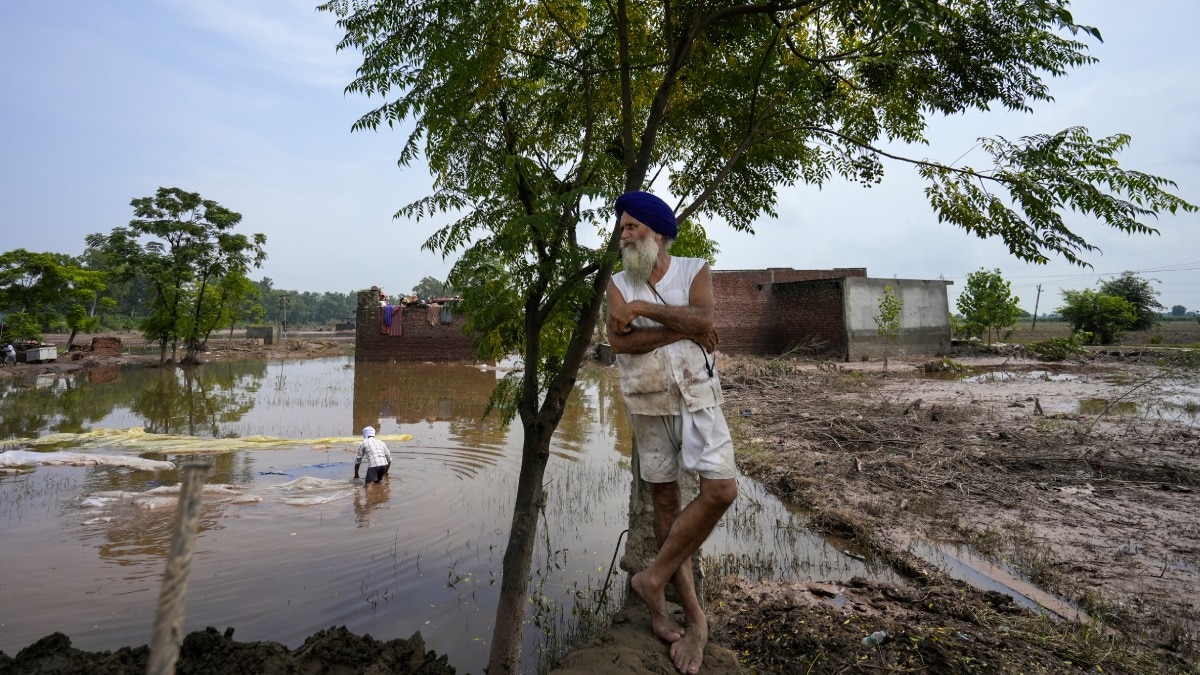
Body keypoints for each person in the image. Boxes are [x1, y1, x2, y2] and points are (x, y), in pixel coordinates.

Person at [606, 190, 737, 675]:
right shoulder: (616, 284)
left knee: (721, 491)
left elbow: (705, 319)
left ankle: (652, 577)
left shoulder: (694, 269)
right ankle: (682, 617)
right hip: (647, 401)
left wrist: (648, 307)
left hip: (699, 397)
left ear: (657, 233)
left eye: (632, 227)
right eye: (622, 228)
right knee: (664, 503)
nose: (624, 235)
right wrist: (682, 329)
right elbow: (621, 341)